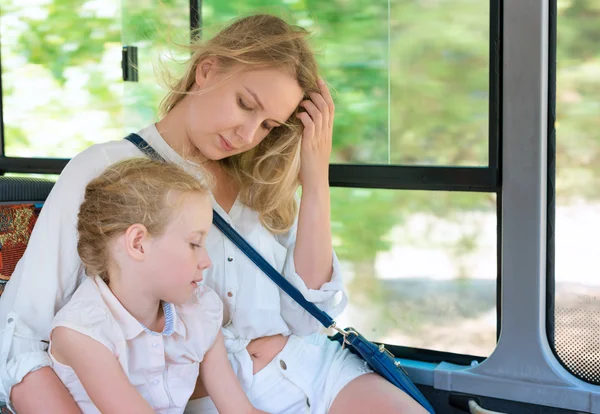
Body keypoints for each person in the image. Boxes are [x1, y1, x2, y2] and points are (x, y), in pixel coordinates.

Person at [0, 13, 428, 414]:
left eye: (268, 127)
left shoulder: (261, 179)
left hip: (316, 371)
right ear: (207, 70)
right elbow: (19, 344)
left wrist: (315, 181)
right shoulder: (105, 169)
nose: (247, 135)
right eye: (245, 103)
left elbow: (303, 317)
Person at [47, 157, 267, 414]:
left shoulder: (200, 309)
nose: (206, 261)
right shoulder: (83, 332)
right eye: (194, 244)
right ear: (138, 243)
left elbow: (240, 411)